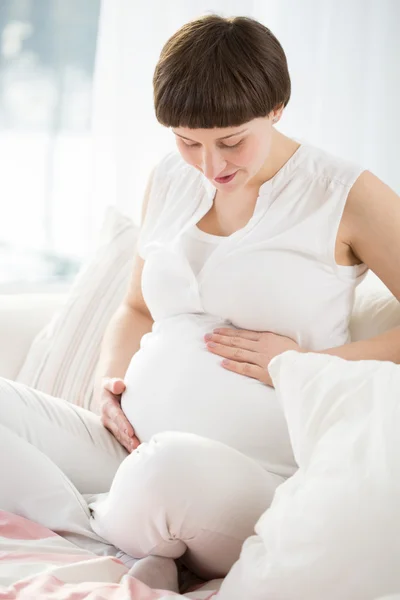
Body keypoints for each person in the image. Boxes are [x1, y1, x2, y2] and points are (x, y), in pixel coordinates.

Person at [1, 14, 399, 593]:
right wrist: (108, 384)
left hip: (249, 475)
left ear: (277, 107)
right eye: (189, 142)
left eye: (231, 141)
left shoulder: (342, 193)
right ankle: (102, 530)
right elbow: (136, 307)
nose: (211, 167)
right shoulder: (168, 177)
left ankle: (100, 527)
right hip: (128, 447)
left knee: (167, 468)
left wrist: (305, 364)